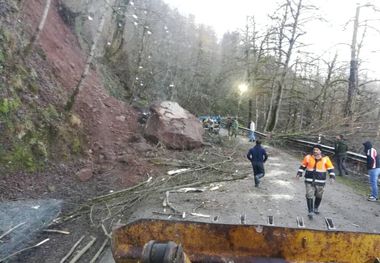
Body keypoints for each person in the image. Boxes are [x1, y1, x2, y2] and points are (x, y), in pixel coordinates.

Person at [296, 144, 335, 219]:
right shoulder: (308, 157)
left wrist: (332, 177)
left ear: (320, 151)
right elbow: (302, 166)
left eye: (317, 150)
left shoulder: (325, 159)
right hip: (309, 180)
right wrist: (299, 174)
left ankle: (316, 208)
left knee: (319, 195)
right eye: (314, 150)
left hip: (320, 181)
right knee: (309, 195)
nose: (315, 151)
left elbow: (330, 168)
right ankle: (310, 211)